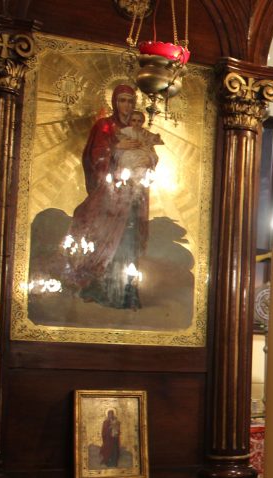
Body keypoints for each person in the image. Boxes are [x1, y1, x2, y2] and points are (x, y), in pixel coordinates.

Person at [64, 84, 157, 309]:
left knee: (128, 239)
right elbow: (95, 155)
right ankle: (97, 287)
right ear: (115, 102)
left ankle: (125, 293)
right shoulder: (104, 125)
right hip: (111, 193)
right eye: (122, 100)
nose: (127, 105)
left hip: (133, 195)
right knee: (105, 234)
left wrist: (147, 160)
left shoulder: (139, 130)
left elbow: (151, 156)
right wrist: (115, 148)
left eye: (130, 101)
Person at [115, 110, 163, 180]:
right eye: (134, 120)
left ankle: (139, 177)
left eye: (139, 121)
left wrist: (156, 138)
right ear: (130, 121)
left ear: (142, 122)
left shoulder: (145, 133)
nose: (136, 123)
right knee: (128, 160)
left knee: (151, 158)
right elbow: (118, 136)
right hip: (129, 152)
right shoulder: (126, 131)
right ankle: (128, 178)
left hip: (143, 153)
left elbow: (155, 139)